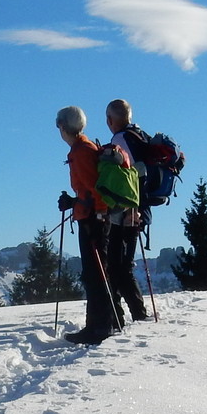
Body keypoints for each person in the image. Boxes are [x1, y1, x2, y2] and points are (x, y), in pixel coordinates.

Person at [54, 106, 117, 346]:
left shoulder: (81, 151)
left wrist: (98, 215)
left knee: (95, 274)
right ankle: (101, 324)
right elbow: (89, 190)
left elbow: (94, 189)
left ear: (63, 126)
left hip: (93, 220)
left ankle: (99, 327)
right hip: (91, 216)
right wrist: (73, 202)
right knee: (95, 273)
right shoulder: (81, 149)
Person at [103, 98, 150, 322]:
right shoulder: (140, 135)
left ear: (111, 120)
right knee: (124, 267)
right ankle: (134, 315)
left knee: (117, 267)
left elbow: (129, 179)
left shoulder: (121, 140)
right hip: (140, 210)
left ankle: (122, 316)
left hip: (127, 212)